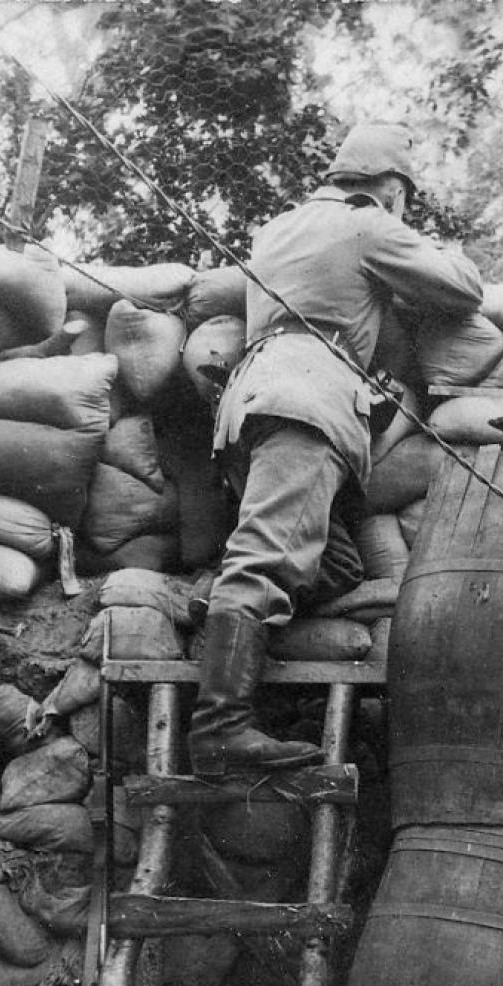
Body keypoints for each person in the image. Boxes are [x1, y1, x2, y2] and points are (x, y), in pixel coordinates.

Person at [189, 122, 483, 778]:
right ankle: (220, 727)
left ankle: (221, 604)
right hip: (306, 402)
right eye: (403, 195)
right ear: (391, 188)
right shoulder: (368, 225)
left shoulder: (279, 227)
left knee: (337, 564)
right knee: (267, 557)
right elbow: (460, 289)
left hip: (251, 403)